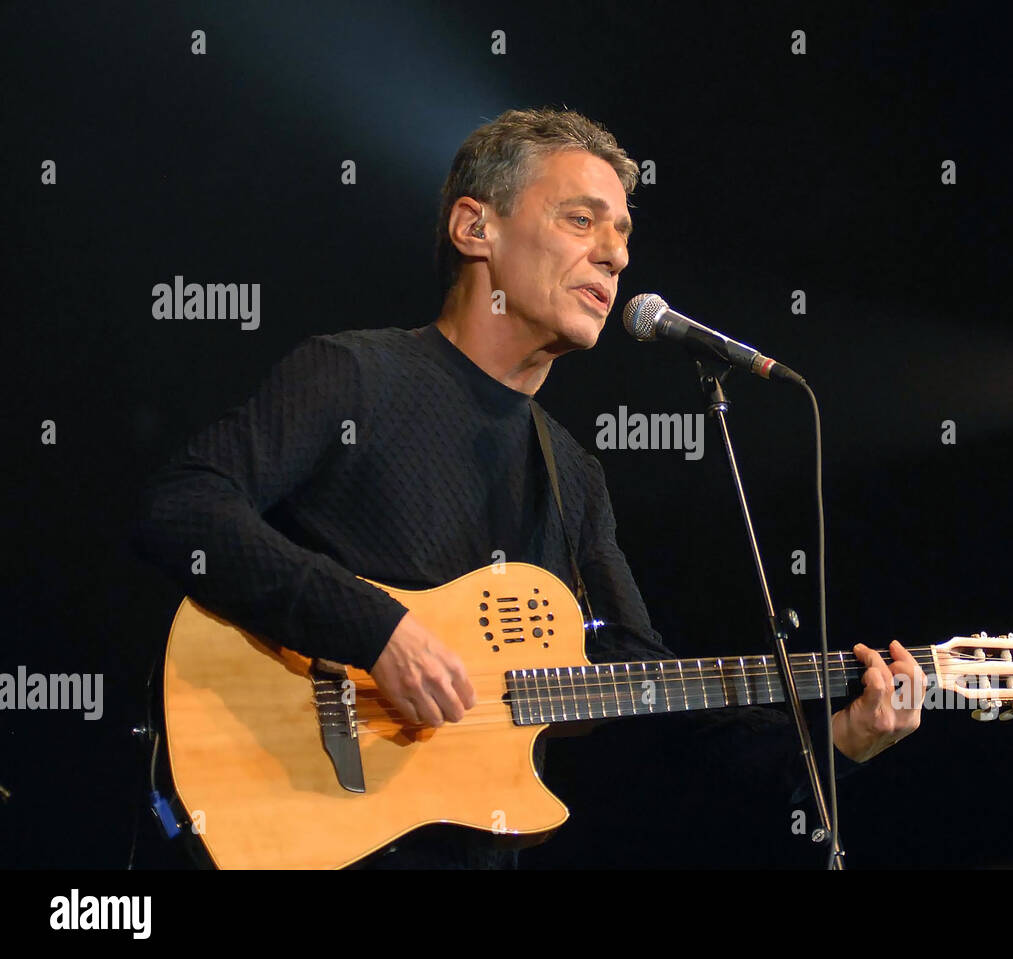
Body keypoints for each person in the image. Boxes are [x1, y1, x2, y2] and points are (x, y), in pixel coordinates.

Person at [132, 107, 925, 868]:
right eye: (582, 221)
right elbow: (183, 508)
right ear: (476, 228)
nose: (614, 256)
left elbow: (653, 699)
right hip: (296, 811)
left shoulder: (572, 475)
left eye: (621, 235)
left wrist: (839, 739)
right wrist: (374, 628)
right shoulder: (356, 376)